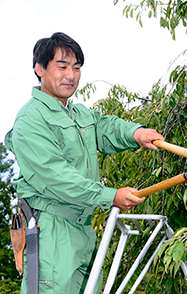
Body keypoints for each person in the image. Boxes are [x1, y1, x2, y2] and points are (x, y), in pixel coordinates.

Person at [5, 32, 164, 294]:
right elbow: (55, 176)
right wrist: (110, 195)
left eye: (77, 68)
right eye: (62, 66)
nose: (71, 75)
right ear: (39, 68)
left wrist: (136, 133)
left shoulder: (78, 113)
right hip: (53, 231)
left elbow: (105, 127)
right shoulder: (30, 120)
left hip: (83, 230)